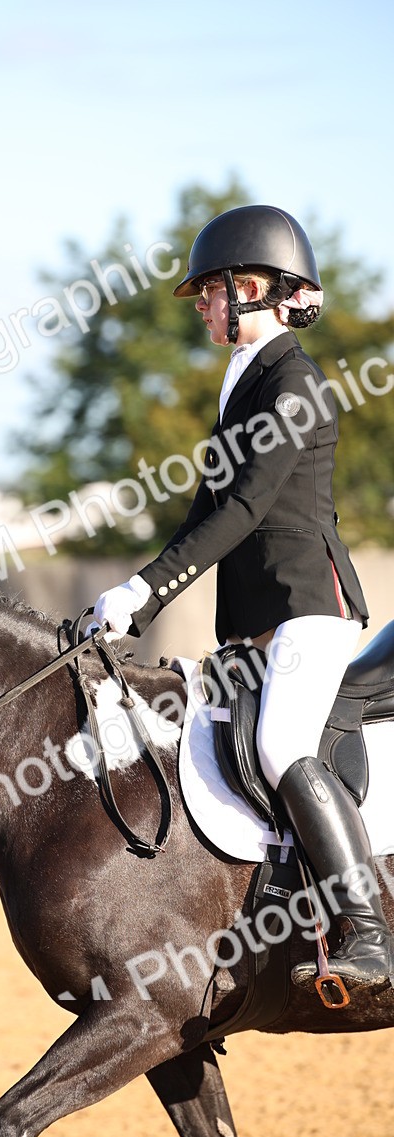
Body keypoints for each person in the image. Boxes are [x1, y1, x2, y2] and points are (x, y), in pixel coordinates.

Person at [93, 204, 393, 992]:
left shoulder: (294, 380)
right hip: (260, 619)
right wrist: (137, 596)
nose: (200, 304)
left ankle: (366, 933)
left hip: (307, 607)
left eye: (210, 291)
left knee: (280, 745)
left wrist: (146, 588)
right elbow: (204, 508)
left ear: (252, 287)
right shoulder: (244, 379)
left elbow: (245, 511)